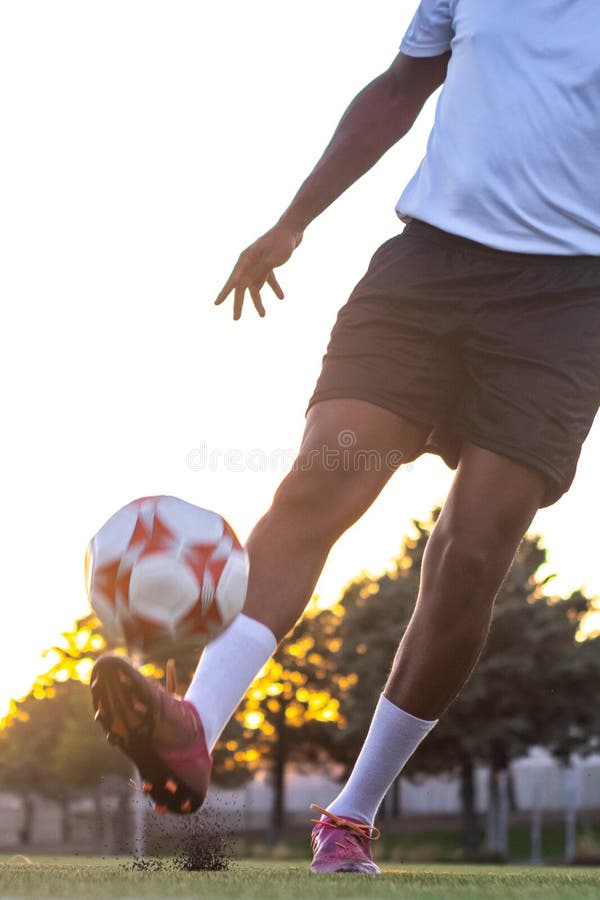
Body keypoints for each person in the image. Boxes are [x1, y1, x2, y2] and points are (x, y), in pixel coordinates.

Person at [91, 0, 600, 874]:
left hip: (567, 302)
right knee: (321, 480)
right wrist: (295, 219)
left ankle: (350, 818)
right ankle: (191, 733)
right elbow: (401, 89)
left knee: (473, 553)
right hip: (427, 271)